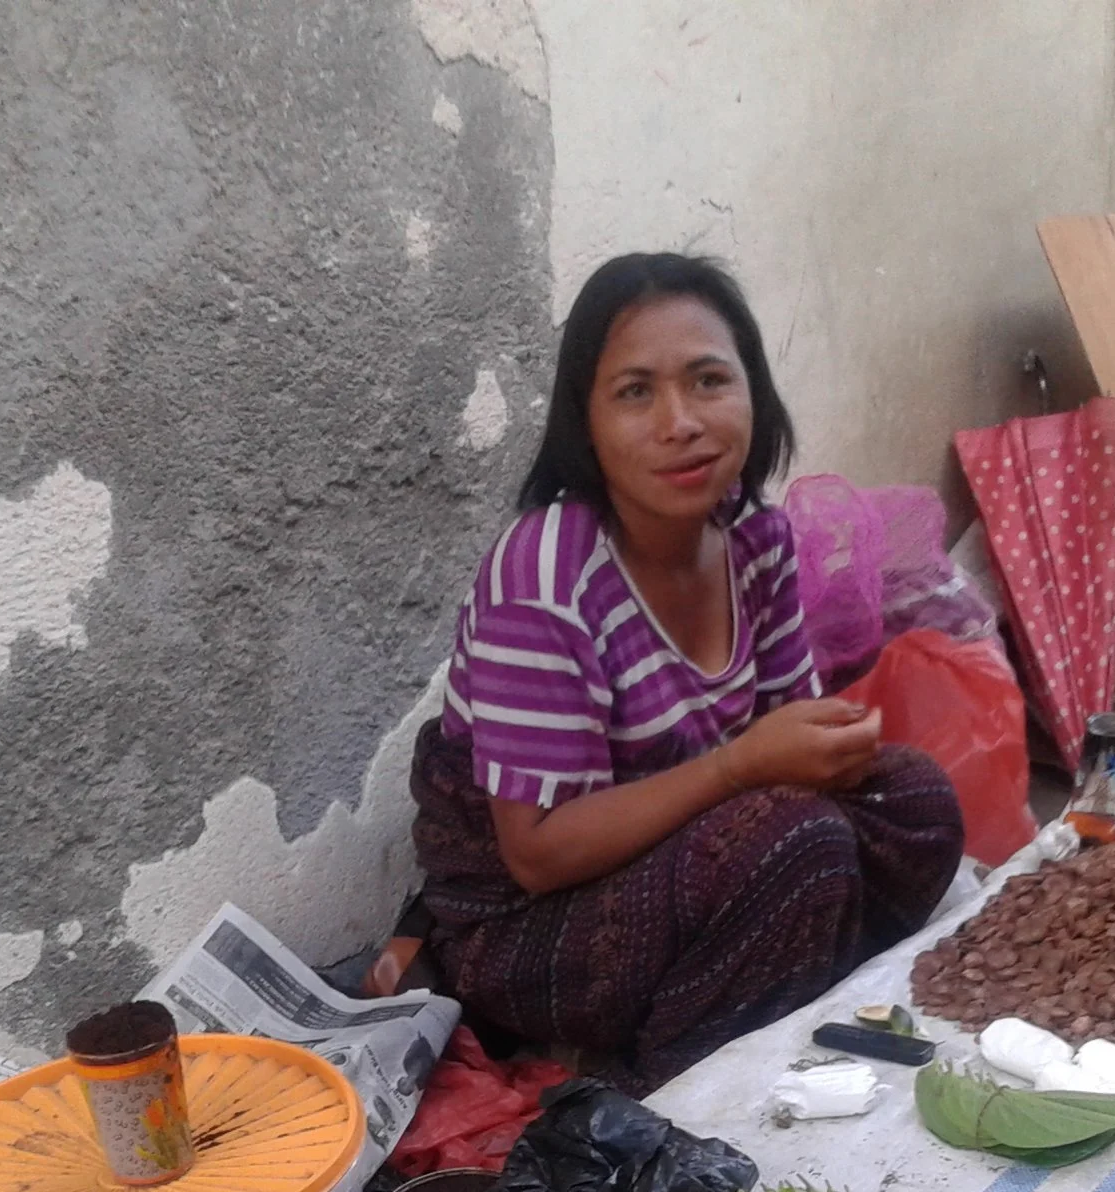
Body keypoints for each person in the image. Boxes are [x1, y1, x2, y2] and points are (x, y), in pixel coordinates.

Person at [411, 253, 965, 1093]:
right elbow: (536, 853)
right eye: (635, 392)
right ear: (585, 423)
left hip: (691, 850)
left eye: (709, 380)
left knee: (913, 800)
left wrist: (831, 749)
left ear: (753, 392)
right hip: (526, 922)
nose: (681, 422)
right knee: (797, 849)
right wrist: (741, 766)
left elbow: (789, 732)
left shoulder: (755, 540)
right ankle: (678, 1092)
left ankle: (776, 1004)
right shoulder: (547, 579)